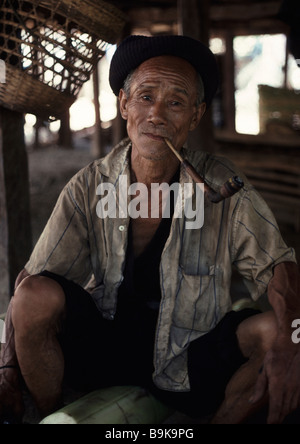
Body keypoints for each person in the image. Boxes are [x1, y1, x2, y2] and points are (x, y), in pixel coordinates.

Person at [0, 34, 300, 424]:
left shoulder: (222, 186)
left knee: (277, 330)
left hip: (191, 353)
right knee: (33, 296)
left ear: (194, 116)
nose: (157, 114)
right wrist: (7, 369)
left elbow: (279, 267)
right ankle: (51, 413)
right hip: (105, 345)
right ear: (124, 104)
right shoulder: (91, 185)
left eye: (175, 102)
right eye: (145, 97)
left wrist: (293, 341)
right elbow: (31, 280)